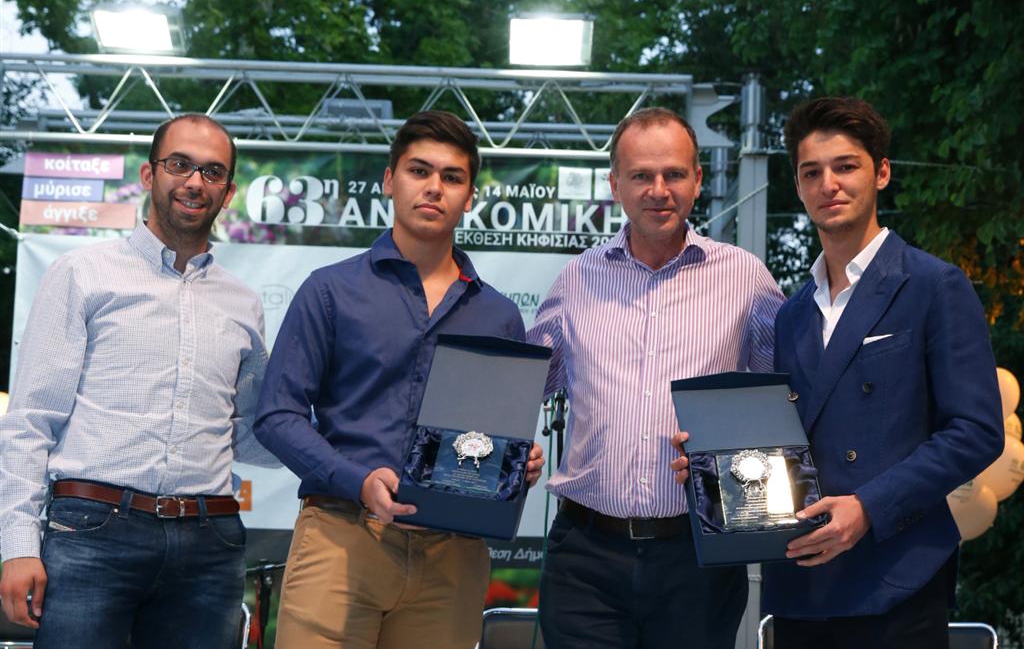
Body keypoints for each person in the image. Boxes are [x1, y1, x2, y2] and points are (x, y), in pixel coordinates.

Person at [254, 110, 544, 649]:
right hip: (342, 536)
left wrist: (514, 464)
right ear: (390, 180)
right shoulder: (329, 291)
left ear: (470, 196)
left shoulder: (500, 316)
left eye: (452, 177)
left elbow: (489, 440)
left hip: (453, 556)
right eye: (419, 171)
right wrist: (357, 480)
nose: (434, 187)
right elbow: (276, 415)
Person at [0, 114, 278, 647]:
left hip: (209, 543)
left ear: (228, 192)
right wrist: (17, 548)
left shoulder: (242, 303)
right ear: (150, 175)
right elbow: (30, 421)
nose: (194, 182)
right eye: (180, 165)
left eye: (212, 172)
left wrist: (333, 425)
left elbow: (247, 434)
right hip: (91, 532)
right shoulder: (81, 274)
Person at [528, 106, 785, 649]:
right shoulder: (575, 281)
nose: (658, 190)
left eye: (673, 174)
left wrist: (741, 455)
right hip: (585, 559)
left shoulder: (745, 278)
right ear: (615, 185)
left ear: (698, 180)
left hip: (698, 557)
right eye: (641, 175)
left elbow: (785, 403)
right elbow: (523, 388)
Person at [760, 96, 1004, 647]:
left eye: (846, 166)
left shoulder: (933, 285)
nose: (829, 184)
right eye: (811, 172)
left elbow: (976, 430)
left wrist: (869, 507)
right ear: (798, 187)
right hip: (804, 580)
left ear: (882, 173)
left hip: (896, 579)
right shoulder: (790, 314)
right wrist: (713, 466)